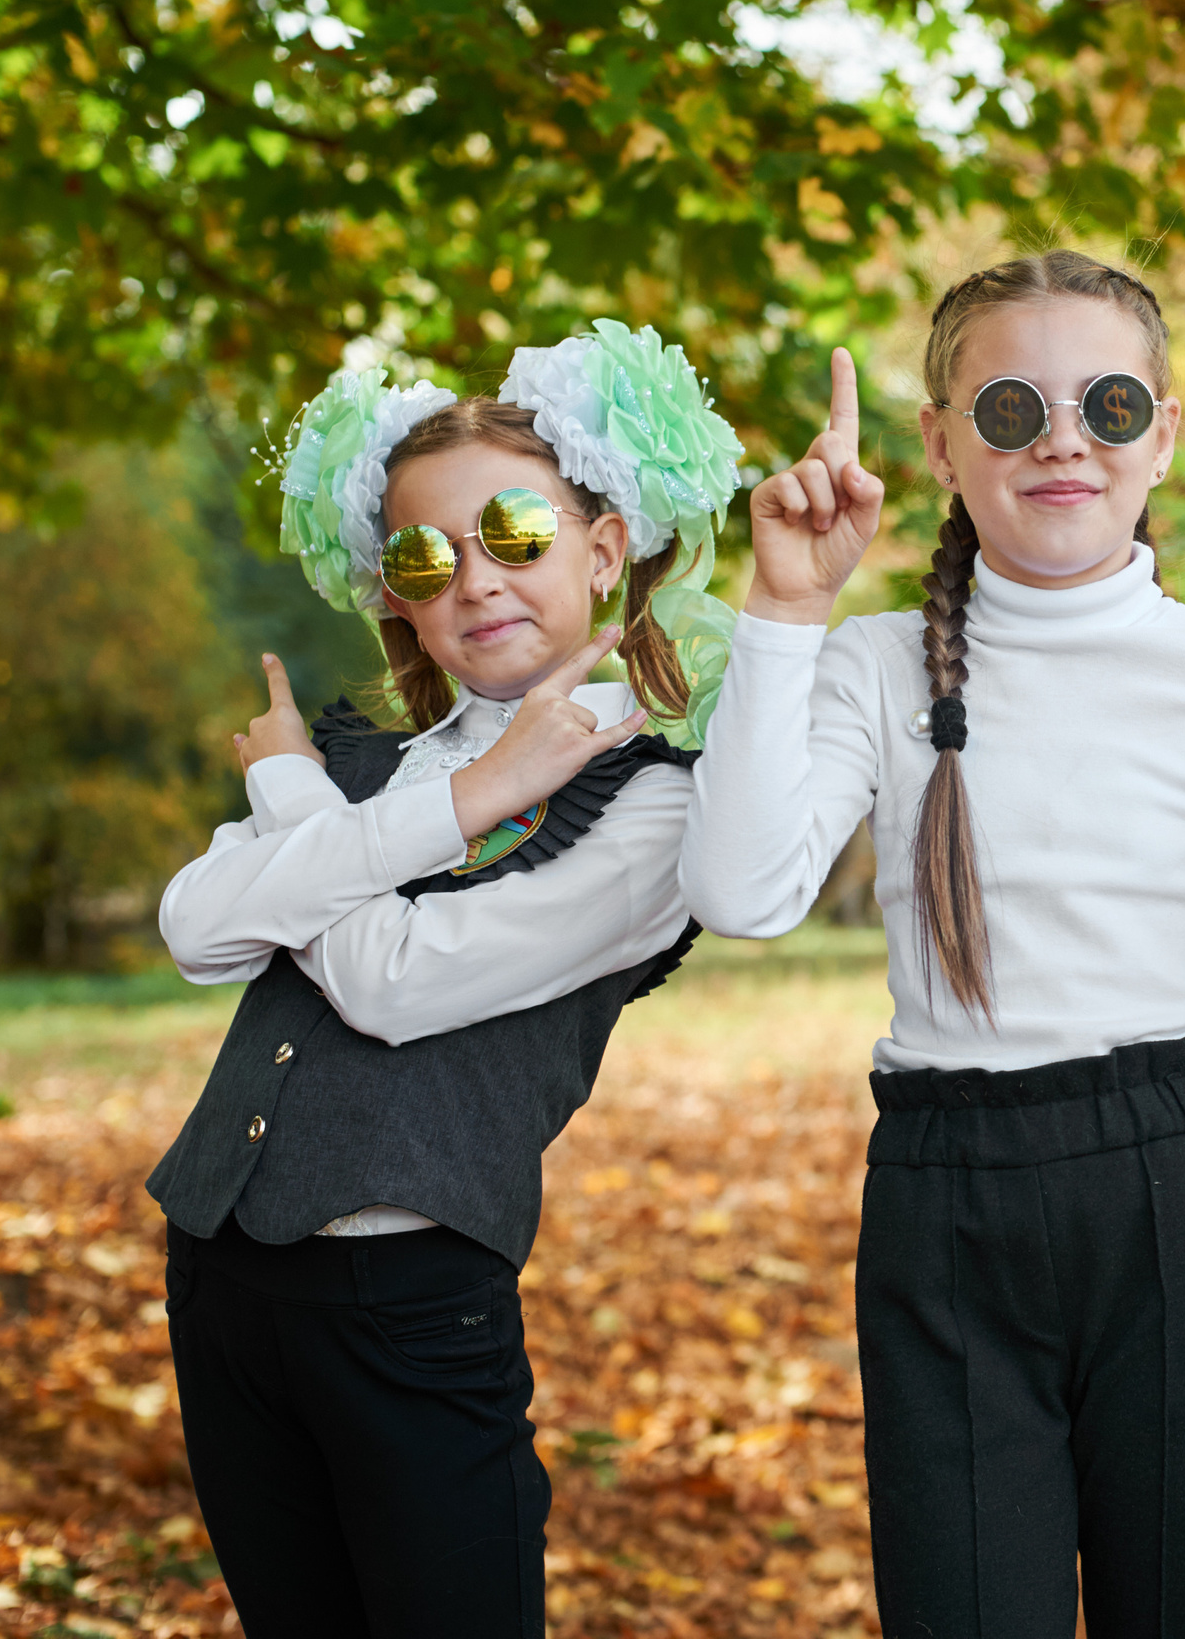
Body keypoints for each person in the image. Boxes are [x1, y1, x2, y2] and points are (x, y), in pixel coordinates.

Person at [680, 251, 1185, 1639]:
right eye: (1009, 408)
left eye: (1109, 404)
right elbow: (743, 892)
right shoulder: (873, 665)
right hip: (946, 1205)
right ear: (938, 444)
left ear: (1163, 434)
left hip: (1178, 1194)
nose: (1063, 437)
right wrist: (785, 609)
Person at [147, 323, 744, 1638]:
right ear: (394, 593)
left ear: (604, 547)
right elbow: (194, 928)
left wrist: (293, 797)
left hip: (405, 1301)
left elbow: (392, 983)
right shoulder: (376, 741)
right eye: (428, 556)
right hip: (221, 1269)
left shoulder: (654, 806)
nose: (476, 581)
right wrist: (451, 799)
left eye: (517, 533)